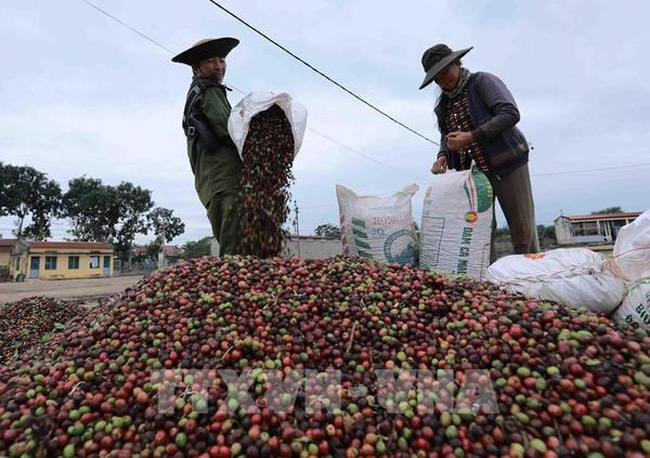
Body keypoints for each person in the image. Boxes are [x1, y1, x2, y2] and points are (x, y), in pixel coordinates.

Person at [419, 43, 540, 259]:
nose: (442, 79)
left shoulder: (482, 82)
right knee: (480, 233)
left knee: (522, 230)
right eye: (436, 77)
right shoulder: (443, 105)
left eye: (444, 71)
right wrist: (443, 155)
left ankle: (530, 280)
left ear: (457, 62)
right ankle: (490, 284)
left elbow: (510, 113)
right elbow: (446, 136)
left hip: (507, 165)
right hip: (474, 176)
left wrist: (471, 136)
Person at [172, 38, 243, 256]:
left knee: (232, 233)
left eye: (221, 60)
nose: (219, 66)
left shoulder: (200, 91)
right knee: (234, 239)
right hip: (222, 176)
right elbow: (228, 130)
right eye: (211, 61)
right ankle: (234, 279)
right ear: (196, 68)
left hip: (212, 178)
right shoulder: (209, 90)